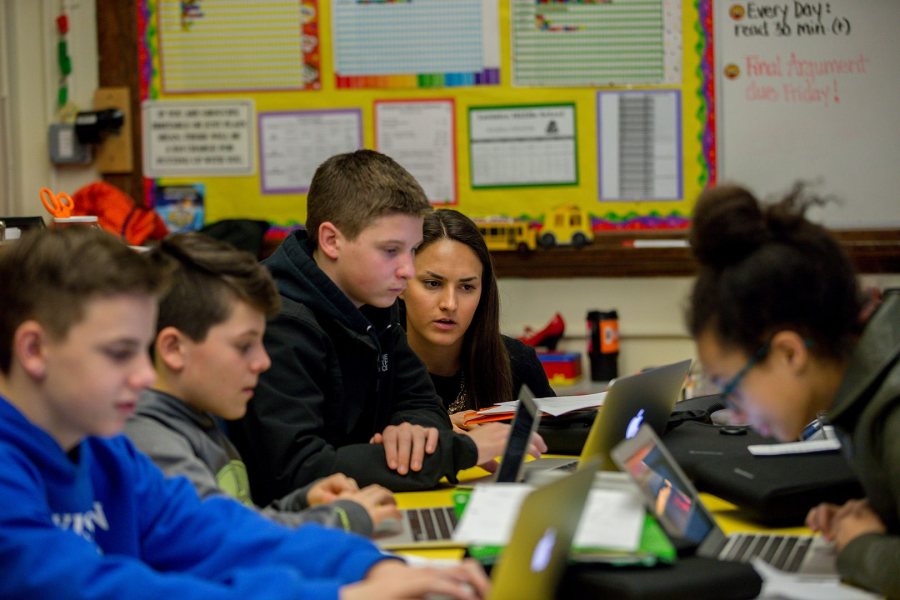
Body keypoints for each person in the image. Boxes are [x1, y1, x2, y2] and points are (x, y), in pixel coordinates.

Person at [0, 227, 490, 599]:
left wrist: (373, 568)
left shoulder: (107, 455)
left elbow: (225, 536)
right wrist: (339, 593)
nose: (142, 376)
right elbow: (106, 588)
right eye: (118, 352)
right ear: (34, 350)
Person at [230, 150, 513, 504]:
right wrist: (459, 450)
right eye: (391, 250)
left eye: (411, 251)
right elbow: (299, 471)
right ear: (331, 240)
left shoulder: (372, 300)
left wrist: (412, 432)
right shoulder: (277, 322)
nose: (407, 270)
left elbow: (422, 402)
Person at [686, 183, 899, 597]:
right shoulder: (863, 386)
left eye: (733, 388)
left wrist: (863, 549)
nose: (737, 413)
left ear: (789, 353)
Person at [124, 233, 399, 536]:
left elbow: (238, 518)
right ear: (174, 349)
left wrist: (302, 503)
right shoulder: (150, 441)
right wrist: (344, 519)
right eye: (244, 346)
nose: (263, 362)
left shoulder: (199, 418)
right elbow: (228, 542)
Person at [400, 209, 554, 434]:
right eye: (433, 283)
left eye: (466, 287)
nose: (450, 304)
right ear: (400, 284)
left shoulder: (517, 362)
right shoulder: (369, 367)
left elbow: (559, 447)